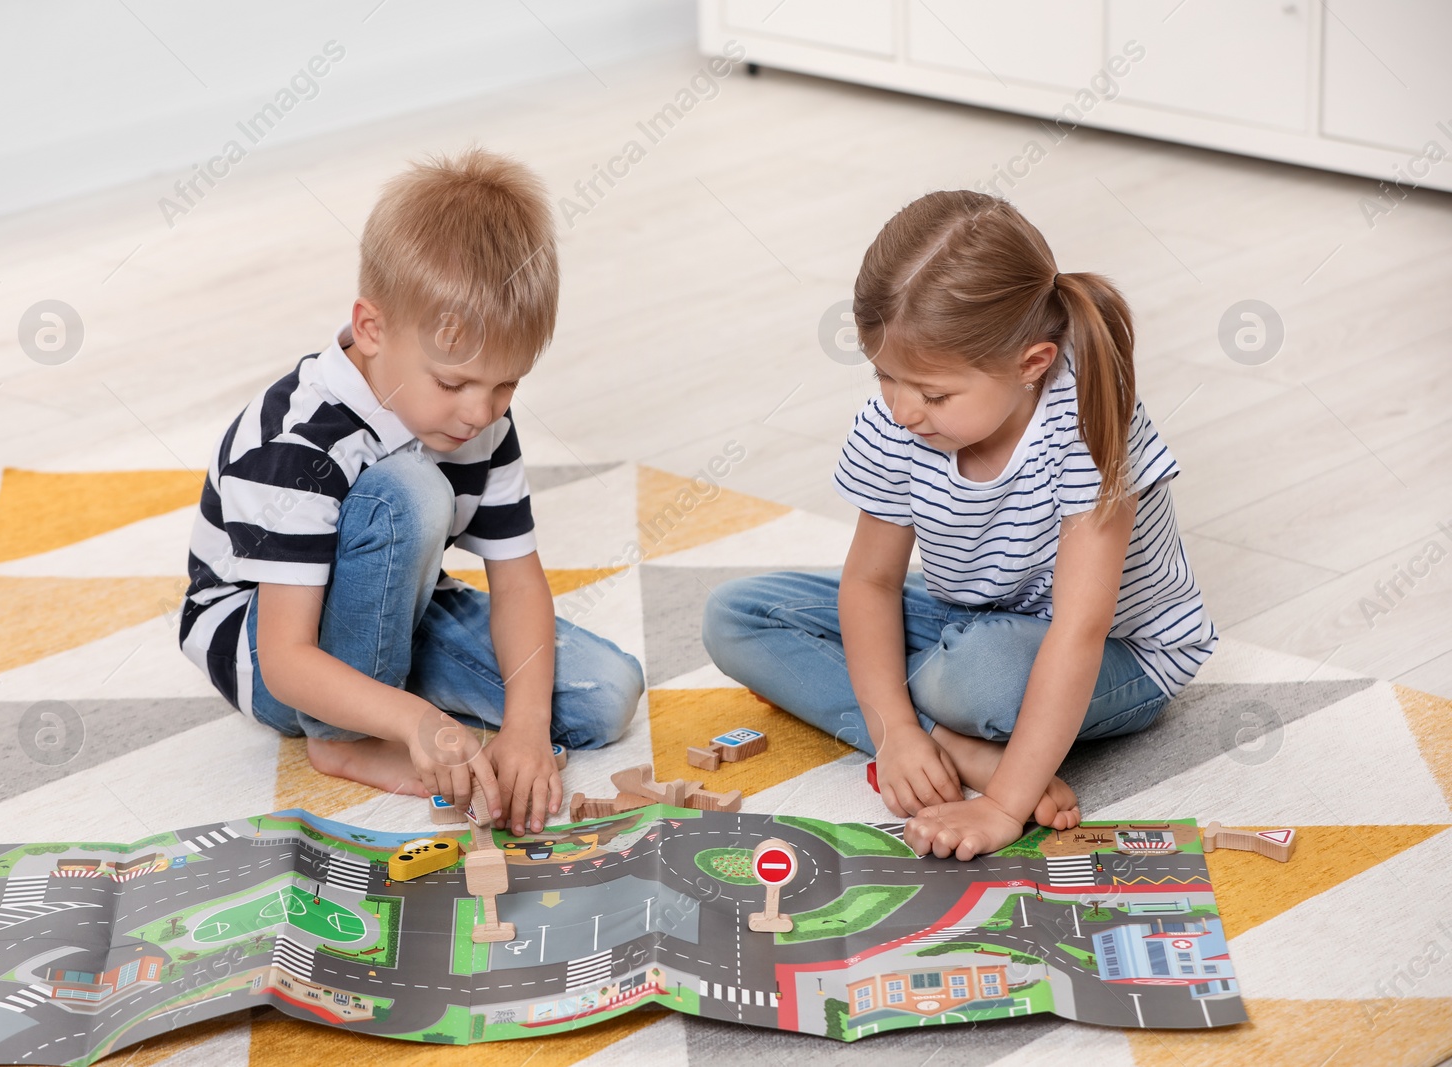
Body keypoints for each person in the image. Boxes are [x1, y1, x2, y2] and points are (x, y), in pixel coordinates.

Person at [702, 190, 1216, 860]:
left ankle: (963, 734)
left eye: (934, 394)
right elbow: (871, 582)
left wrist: (1004, 804)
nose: (903, 408)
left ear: (1030, 365)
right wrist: (894, 735)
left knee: (977, 676)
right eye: (885, 375)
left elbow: (1080, 629)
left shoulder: (1088, 419)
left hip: (1118, 656)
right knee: (736, 616)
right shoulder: (898, 421)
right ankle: (942, 742)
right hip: (965, 619)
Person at [178, 147, 644, 834]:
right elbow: (285, 660)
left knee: (603, 697)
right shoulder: (297, 439)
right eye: (454, 383)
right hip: (269, 644)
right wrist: (418, 722)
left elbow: (518, 582)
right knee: (408, 491)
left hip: (398, 599)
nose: (481, 412)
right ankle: (340, 738)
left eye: (506, 383)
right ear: (371, 329)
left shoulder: (477, 417)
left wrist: (524, 728)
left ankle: (381, 697)